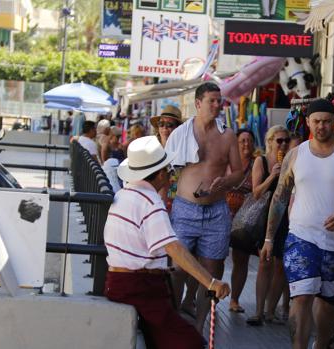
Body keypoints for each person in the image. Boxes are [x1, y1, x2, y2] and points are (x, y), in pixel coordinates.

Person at [103, 136, 230, 349]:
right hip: (140, 288)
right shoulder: (150, 202)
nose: (172, 175)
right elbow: (173, 247)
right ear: (160, 174)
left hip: (119, 282)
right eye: (169, 170)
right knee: (190, 343)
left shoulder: (125, 194)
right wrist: (210, 282)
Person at [261, 99, 334, 349]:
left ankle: (322, 343)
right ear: (308, 122)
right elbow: (279, 198)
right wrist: (269, 239)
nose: (321, 126)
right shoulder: (295, 155)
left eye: (326, 121)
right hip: (301, 236)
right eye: (316, 121)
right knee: (301, 296)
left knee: (327, 302)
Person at [165, 82, 243, 333]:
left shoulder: (227, 135)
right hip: (185, 209)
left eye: (219, 100)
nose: (218, 105)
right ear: (198, 103)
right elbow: (163, 172)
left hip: (216, 211)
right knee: (177, 269)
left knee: (211, 274)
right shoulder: (181, 134)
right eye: (212, 100)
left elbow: (239, 172)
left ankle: (199, 328)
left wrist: (226, 181)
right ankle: (175, 320)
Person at [246, 125, 291, 326]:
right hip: (265, 216)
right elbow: (256, 193)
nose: (282, 144)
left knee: (281, 265)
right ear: (270, 141)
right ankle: (258, 310)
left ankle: (271, 310)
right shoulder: (261, 161)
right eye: (279, 140)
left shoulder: (292, 159)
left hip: (287, 216)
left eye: (285, 141)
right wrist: (273, 175)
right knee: (265, 263)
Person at [227, 129, 256, 314]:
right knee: (216, 258)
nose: (246, 144)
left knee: (241, 259)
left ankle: (234, 299)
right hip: (223, 215)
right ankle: (210, 294)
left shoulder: (257, 164)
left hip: (245, 220)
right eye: (242, 141)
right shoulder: (228, 164)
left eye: (249, 141)